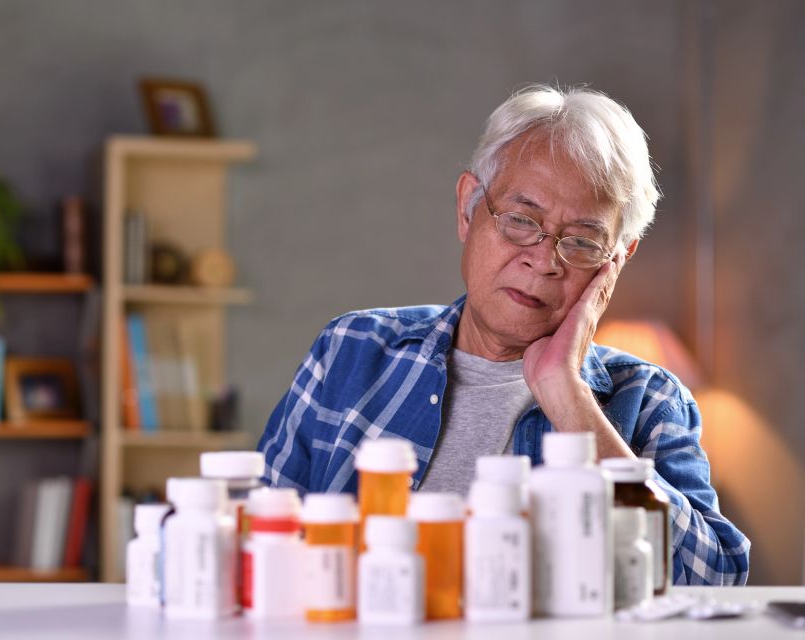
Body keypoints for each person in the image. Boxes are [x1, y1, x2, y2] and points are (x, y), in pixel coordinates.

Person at [257, 84, 750, 586]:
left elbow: (714, 580)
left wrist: (570, 400)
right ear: (468, 208)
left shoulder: (648, 401)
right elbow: (256, 550)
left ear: (616, 263)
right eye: (521, 220)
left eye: (582, 242)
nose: (543, 259)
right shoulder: (352, 350)